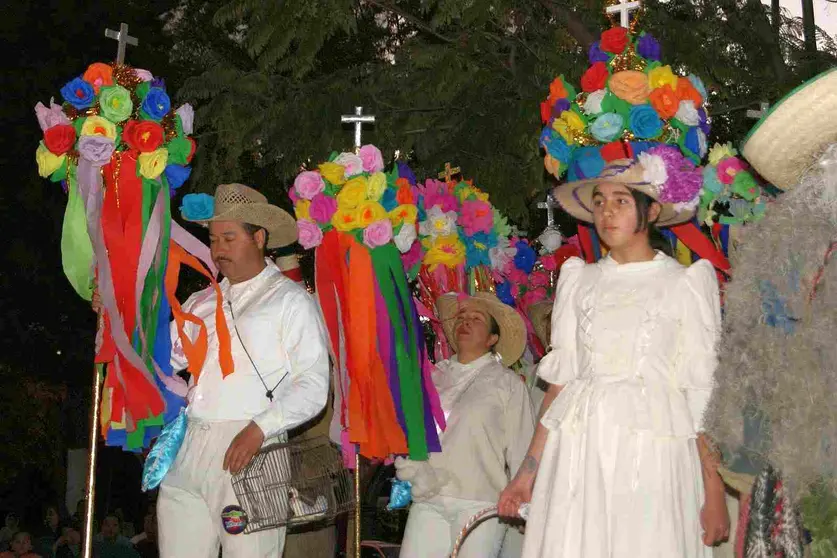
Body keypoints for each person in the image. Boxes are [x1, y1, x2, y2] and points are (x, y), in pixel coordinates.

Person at [498, 157, 730, 557]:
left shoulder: (685, 283)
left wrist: (714, 492)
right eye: (600, 202)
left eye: (621, 201)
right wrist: (526, 473)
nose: (607, 212)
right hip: (580, 449)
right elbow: (560, 385)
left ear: (652, 210)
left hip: (654, 451)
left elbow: (700, 393)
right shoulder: (579, 280)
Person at [153, 183, 328, 558]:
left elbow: (313, 384)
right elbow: (158, 359)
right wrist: (116, 314)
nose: (218, 250)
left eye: (229, 238)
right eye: (214, 239)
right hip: (188, 447)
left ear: (260, 238)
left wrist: (259, 428)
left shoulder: (290, 301)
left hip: (251, 446)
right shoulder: (199, 301)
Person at [397, 292, 535, 558]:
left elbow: (523, 445)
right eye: (461, 317)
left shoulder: (507, 383)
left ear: (493, 338)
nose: (466, 322)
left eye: (476, 318)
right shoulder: (433, 376)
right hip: (428, 498)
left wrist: (524, 499)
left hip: (480, 504)